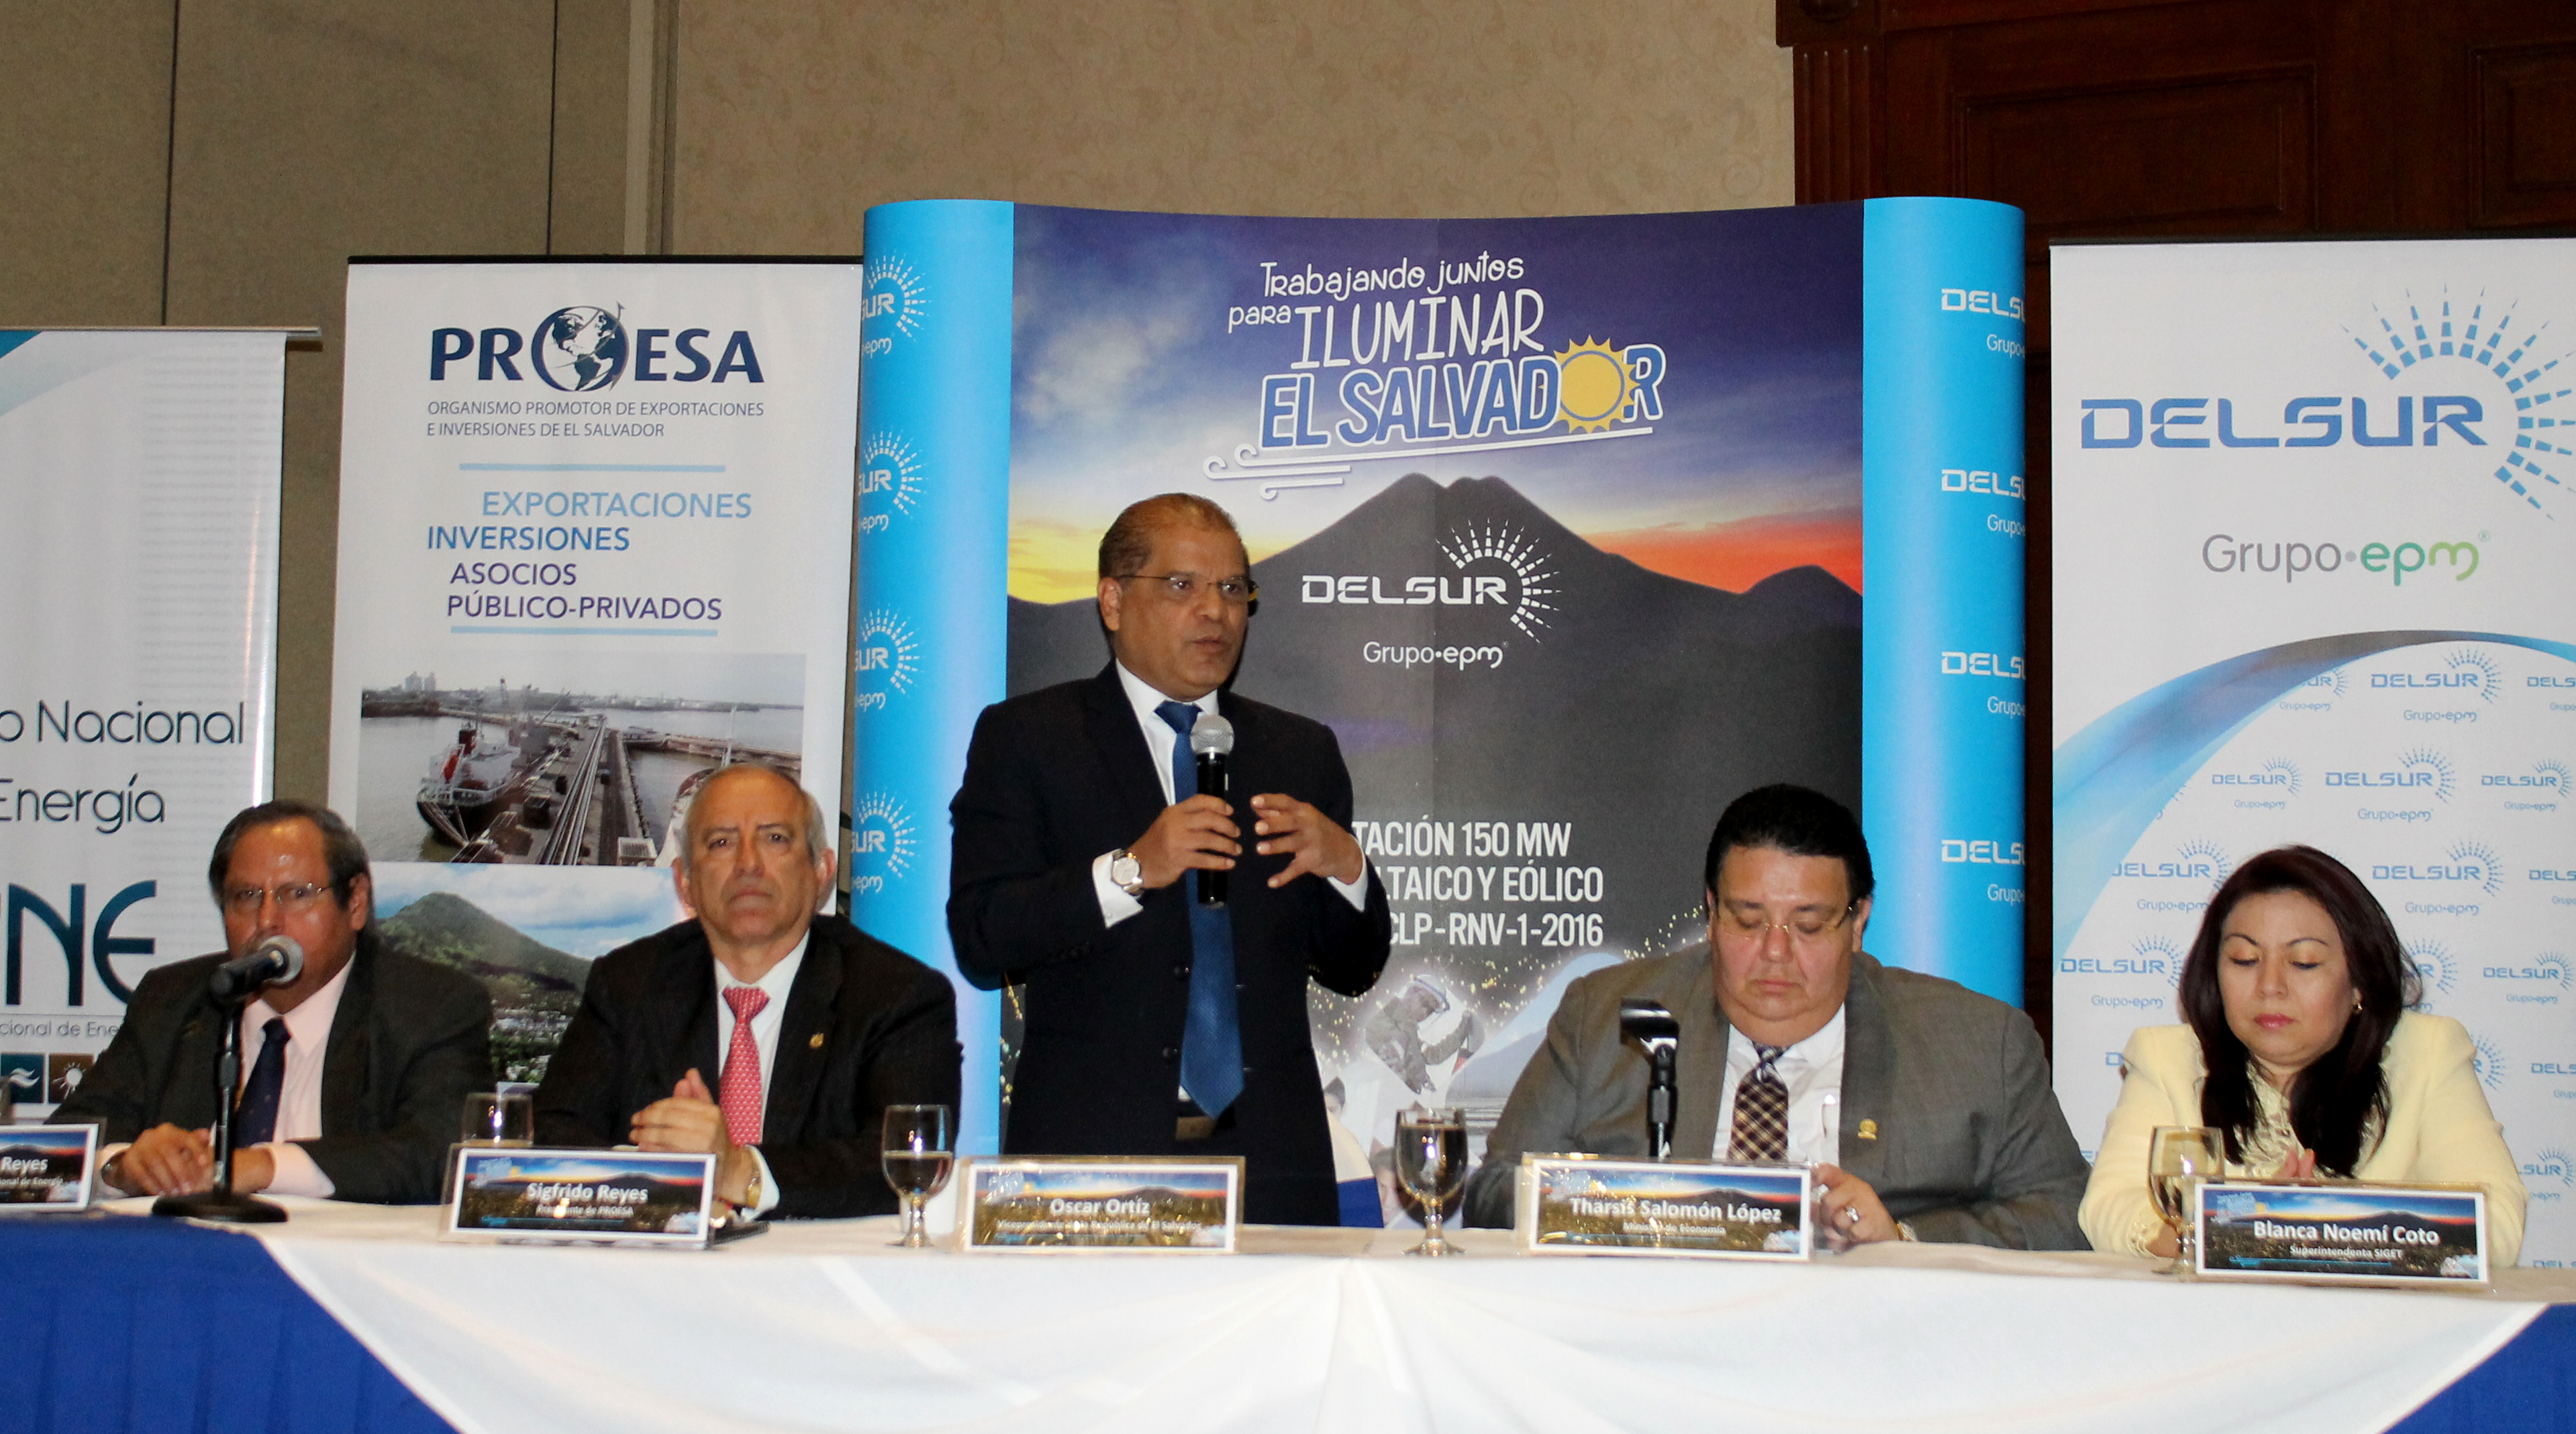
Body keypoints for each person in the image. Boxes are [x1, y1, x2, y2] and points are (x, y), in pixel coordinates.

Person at [948, 493, 1392, 1225]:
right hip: (1096, 1157)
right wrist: (1130, 869)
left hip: (1274, 1161)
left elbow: (1353, 966)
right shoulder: (1028, 738)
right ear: (1113, 600)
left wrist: (1346, 867)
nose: (1215, 611)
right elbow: (983, 935)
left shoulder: (1299, 751)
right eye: (1183, 585)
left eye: (1232, 588)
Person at [1463, 784, 2091, 1247]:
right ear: (1711, 912)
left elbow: (2068, 1216)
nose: (1775, 952)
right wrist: (1627, 1207)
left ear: (1858, 922)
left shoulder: (1978, 1043)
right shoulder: (1605, 1015)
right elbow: (1493, 1193)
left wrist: (1902, 1237)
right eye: (1748, 919)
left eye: (1808, 925)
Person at [534, 762, 959, 1219]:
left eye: (775, 838)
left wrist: (740, 1170)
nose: (748, 864)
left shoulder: (897, 995)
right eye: (721, 842)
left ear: (821, 870)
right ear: (685, 882)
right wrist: (659, 1173)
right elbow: (556, 1133)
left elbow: (909, 1156)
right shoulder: (628, 983)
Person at [2080, 845, 2528, 1264]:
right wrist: (2237, 1228)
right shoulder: (2167, 1058)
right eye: (2244, 959)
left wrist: (2311, 1222)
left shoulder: (2428, 1052)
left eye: (2304, 962)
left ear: (2359, 982)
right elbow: (2110, 1209)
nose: (2270, 986)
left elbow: (2496, 1224)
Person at [54, 801, 491, 1204]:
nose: (267, 920)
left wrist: (261, 1166)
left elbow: (443, 1155)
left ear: (356, 902)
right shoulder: (173, 998)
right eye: (246, 896)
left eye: (296, 894)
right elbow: (60, 1145)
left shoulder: (432, 1005)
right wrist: (120, 1166)